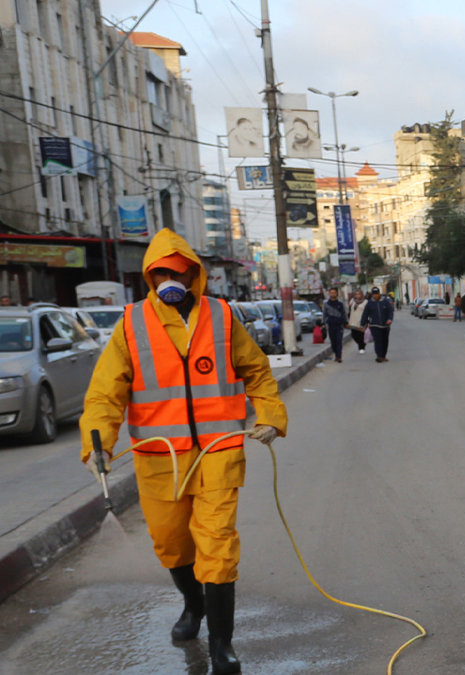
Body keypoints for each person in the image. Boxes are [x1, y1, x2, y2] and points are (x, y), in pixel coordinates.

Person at [80, 228, 287, 675]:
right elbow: (104, 394)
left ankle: (222, 646)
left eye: (178, 272)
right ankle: (193, 605)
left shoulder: (222, 316)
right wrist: (96, 442)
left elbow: (257, 370)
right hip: (159, 459)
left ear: (195, 274)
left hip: (217, 450)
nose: (169, 279)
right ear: (149, 278)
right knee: (172, 545)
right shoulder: (132, 324)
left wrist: (270, 415)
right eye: (160, 273)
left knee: (217, 544)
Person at [360, 287, 393, 363]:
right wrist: (362, 325)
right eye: (374, 294)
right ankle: (379, 356)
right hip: (374, 325)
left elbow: (390, 312)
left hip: (385, 326)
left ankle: (383, 356)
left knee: (384, 341)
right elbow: (365, 314)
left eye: (377, 294)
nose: (375, 296)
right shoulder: (370, 303)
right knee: (378, 340)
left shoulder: (385, 302)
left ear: (379, 294)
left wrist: (389, 319)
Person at [322, 287, 346, 363]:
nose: (333, 294)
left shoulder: (340, 304)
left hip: (339, 326)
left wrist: (346, 322)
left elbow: (344, 313)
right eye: (331, 293)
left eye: (334, 293)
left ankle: (339, 356)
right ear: (329, 294)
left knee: (339, 341)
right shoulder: (326, 304)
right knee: (333, 342)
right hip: (331, 325)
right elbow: (324, 315)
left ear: (337, 294)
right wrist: (323, 323)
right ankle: (336, 353)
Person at [347, 290, 367, 354]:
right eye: (356, 294)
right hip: (353, 320)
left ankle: (361, 347)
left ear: (362, 294)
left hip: (361, 320)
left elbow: (368, 312)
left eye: (359, 294)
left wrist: (368, 321)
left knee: (361, 335)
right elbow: (349, 310)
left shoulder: (366, 302)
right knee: (354, 335)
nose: (357, 295)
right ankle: (362, 344)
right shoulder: (352, 301)